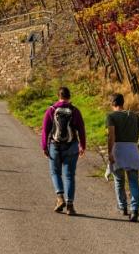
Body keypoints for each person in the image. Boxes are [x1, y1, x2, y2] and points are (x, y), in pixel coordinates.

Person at [41, 86, 86, 215]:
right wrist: (82, 145)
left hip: (55, 145)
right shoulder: (75, 110)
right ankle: (70, 206)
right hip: (71, 145)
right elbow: (81, 129)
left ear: (58, 96)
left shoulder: (52, 110)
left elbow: (45, 130)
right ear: (69, 96)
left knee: (55, 173)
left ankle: (60, 198)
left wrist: (44, 146)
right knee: (70, 176)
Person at [107, 94, 139, 222]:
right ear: (123, 102)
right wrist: (138, 147)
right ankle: (135, 210)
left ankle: (123, 207)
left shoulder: (111, 116)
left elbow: (111, 136)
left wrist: (110, 152)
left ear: (112, 103)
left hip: (118, 151)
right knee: (133, 181)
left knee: (119, 180)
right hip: (132, 151)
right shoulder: (134, 115)